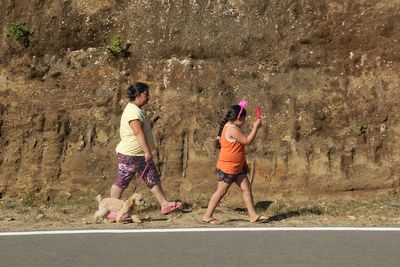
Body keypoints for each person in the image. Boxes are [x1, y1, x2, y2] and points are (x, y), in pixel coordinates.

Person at [108, 82, 181, 219]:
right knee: (122, 180)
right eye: (146, 94)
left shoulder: (136, 110)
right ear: (138, 95)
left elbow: (141, 129)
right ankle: (113, 210)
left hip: (138, 153)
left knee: (152, 177)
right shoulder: (133, 112)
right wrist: (147, 151)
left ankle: (164, 204)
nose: (149, 97)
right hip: (131, 153)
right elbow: (138, 133)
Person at [202, 104, 268, 224]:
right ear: (239, 118)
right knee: (221, 191)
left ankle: (253, 215)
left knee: (246, 188)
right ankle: (207, 215)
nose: (244, 121)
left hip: (237, 167)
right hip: (229, 168)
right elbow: (247, 142)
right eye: (243, 119)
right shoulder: (232, 129)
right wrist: (255, 127)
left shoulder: (228, 126)